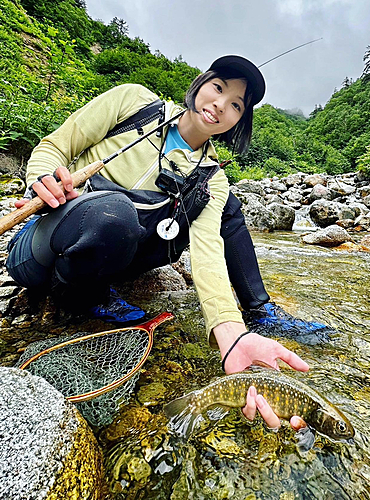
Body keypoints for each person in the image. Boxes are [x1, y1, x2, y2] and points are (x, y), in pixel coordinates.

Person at [6, 55, 312, 430]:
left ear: (239, 121)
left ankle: (255, 309)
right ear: (200, 84)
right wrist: (42, 178)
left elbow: (208, 254)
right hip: (39, 254)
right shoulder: (131, 102)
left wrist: (231, 333)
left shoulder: (211, 179)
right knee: (113, 212)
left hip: (110, 261)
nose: (220, 104)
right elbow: (56, 145)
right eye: (218, 88)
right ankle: (79, 296)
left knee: (185, 211)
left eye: (236, 104)